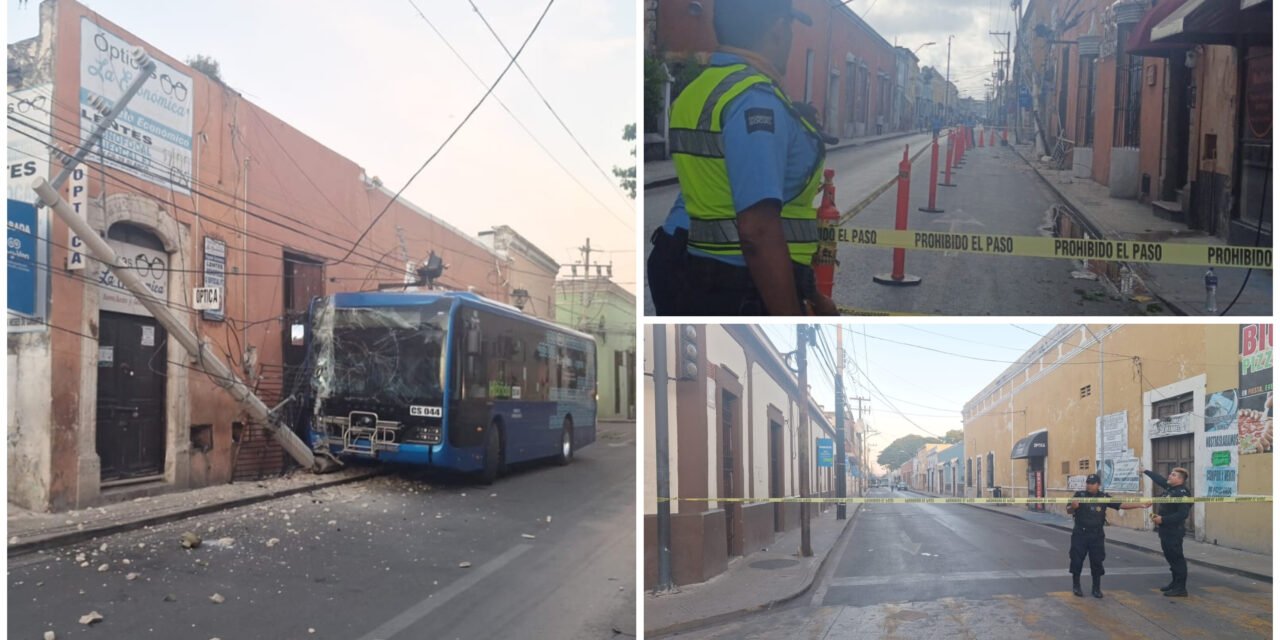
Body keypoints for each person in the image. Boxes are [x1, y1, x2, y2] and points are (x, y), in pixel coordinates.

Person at [653, 0, 838, 316]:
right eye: (791, 28)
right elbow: (758, 230)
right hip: (745, 284)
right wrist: (791, 319)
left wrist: (810, 293)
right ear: (780, 29)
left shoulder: (697, 93)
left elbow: (706, 191)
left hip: (691, 267)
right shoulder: (754, 100)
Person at [1066, 474, 1149, 598]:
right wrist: (1072, 507)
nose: (1089, 485)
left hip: (1097, 535)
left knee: (1097, 561)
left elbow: (1120, 505)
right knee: (1077, 560)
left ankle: (1096, 588)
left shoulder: (1103, 497)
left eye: (1092, 483)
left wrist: (1140, 505)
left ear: (1098, 485)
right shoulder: (1080, 495)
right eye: (1088, 483)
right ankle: (1076, 586)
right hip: (1080, 534)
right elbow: (1068, 509)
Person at [1142, 464, 1193, 597]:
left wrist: (1163, 520)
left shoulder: (1182, 493)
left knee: (1177, 559)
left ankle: (1181, 588)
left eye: (1173, 475)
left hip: (1174, 531)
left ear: (1180, 480)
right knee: (1171, 558)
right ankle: (1175, 583)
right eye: (1170, 474)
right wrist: (1145, 471)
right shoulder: (1171, 488)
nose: (1170, 476)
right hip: (1165, 531)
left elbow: (1182, 514)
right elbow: (1159, 480)